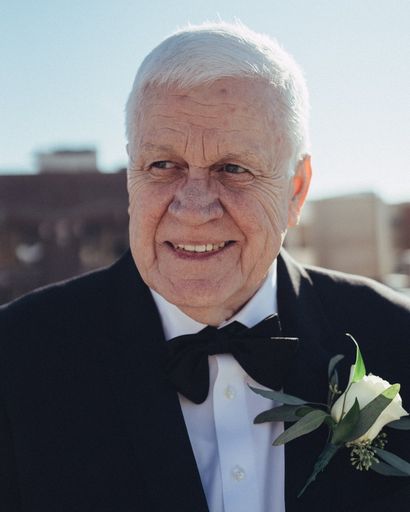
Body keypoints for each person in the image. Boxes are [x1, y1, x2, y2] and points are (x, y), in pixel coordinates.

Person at [0, 21, 409, 512]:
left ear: (296, 190)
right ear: (131, 176)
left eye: (233, 168)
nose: (194, 209)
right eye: (162, 165)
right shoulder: (15, 357)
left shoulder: (398, 337)